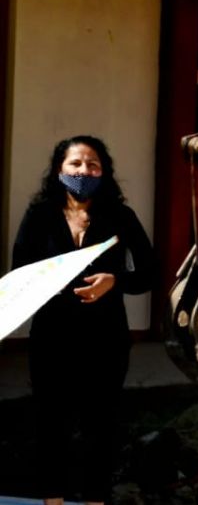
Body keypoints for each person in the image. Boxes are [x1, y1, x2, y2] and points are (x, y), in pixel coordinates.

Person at [11, 136, 155, 505]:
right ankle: (53, 500)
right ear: (59, 169)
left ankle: (95, 500)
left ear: (104, 172)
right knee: (50, 426)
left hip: (105, 340)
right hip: (52, 338)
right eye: (75, 164)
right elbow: (20, 272)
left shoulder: (120, 217)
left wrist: (115, 281)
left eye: (92, 165)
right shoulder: (40, 215)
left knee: (101, 428)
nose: (83, 171)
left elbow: (150, 272)